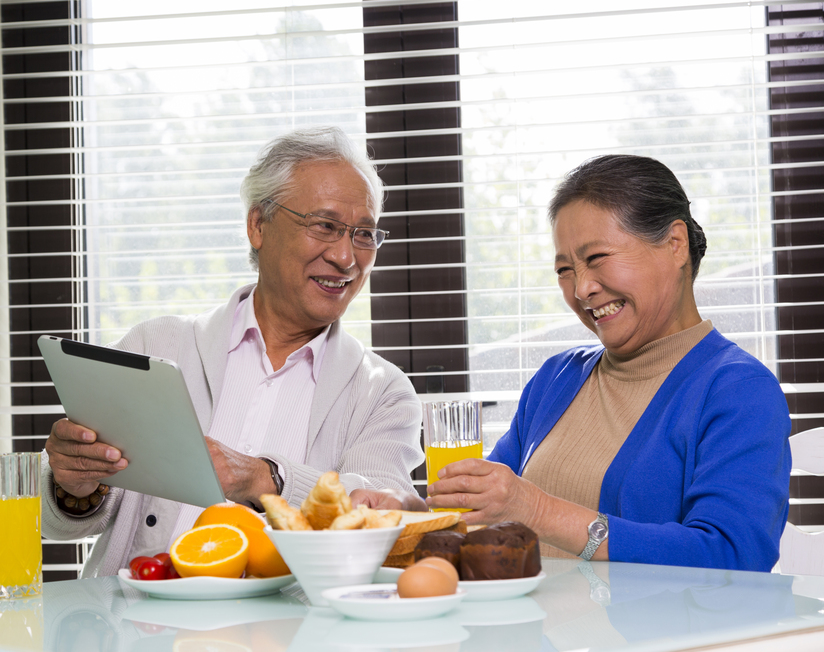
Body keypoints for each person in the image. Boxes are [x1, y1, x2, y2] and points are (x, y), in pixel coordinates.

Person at [40, 126, 425, 578]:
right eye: (325, 226)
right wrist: (75, 484)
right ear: (258, 225)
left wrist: (268, 479)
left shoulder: (382, 392)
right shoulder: (157, 345)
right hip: (136, 627)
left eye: (364, 235)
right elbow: (59, 525)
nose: (346, 257)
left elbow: (384, 516)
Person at [425, 155, 791, 571]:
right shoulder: (555, 379)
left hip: (659, 638)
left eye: (597, 258)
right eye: (565, 269)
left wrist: (539, 510)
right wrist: (405, 516)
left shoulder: (737, 391)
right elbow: (482, 510)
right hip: (532, 631)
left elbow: (732, 556)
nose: (581, 288)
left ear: (675, 244)